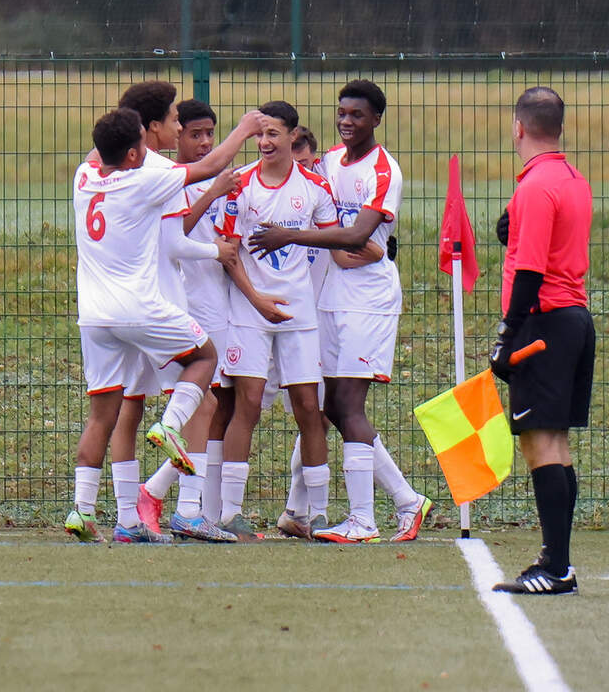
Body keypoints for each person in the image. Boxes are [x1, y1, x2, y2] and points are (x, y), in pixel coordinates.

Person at [64, 106, 261, 543]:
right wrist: (244, 129)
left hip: (94, 318)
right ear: (136, 149)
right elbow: (208, 168)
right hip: (141, 308)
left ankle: (85, 510)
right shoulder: (146, 178)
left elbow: (103, 154)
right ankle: (171, 427)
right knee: (206, 356)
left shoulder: (83, 178)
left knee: (104, 415)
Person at [248, 80, 432, 543]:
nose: (347, 121)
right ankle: (399, 502)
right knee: (328, 407)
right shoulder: (330, 162)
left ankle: (364, 521)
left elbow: (357, 237)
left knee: (346, 405)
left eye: (357, 115)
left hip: (369, 303)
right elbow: (314, 204)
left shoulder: (384, 171)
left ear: (376, 119)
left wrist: (289, 236)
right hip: (328, 299)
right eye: (342, 112)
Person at [104, 88, 242, 543]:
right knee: (202, 402)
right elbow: (175, 243)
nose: (181, 128)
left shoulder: (103, 170)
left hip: (115, 310)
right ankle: (188, 511)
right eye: (174, 120)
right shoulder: (162, 173)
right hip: (158, 306)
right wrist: (217, 250)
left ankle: (127, 517)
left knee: (128, 409)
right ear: (151, 128)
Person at [214, 102, 336, 541]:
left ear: (291, 136)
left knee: (309, 408)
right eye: (259, 134)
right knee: (246, 406)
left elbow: (333, 240)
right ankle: (230, 514)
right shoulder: (239, 184)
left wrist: (374, 250)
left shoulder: (315, 187)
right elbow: (228, 252)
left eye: (273, 134)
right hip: (250, 311)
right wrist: (257, 299)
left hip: (299, 313)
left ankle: (316, 516)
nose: (264, 142)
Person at [489, 87, 591, 595]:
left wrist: (507, 338)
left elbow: (530, 272)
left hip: (544, 325)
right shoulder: (573, 179)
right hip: (573, 319)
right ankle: (558, 560)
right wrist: (515, 229)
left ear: (518, 128)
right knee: (556, 443)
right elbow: (548, 245)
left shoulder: (535, 187)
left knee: (541, 443)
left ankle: (556, 569)